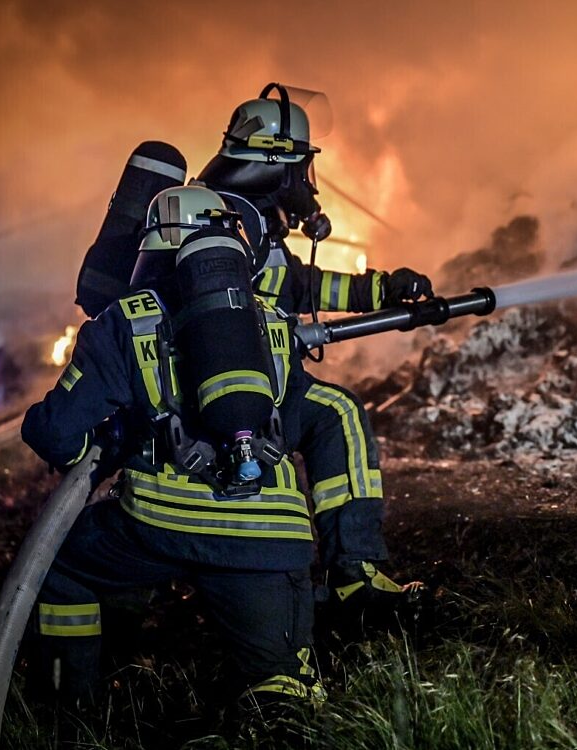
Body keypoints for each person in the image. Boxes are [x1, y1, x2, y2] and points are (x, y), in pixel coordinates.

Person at [22, 186, 324, 710]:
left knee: (60, 568)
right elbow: (291, 427)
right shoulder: (273, 319)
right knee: (282, 688)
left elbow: (55, 433)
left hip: (159, 526)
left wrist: (107, 444)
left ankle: (69, 714)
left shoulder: (127, 318)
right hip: (269, 536)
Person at [197, 82, 432, 607]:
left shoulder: (242, 216)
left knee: (336, 412)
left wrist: (380, 290)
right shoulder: (235, 221)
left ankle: (352, 571)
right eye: (301, 168)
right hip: (248, 389)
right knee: (337, 414)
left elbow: (296, 286)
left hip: (257, 382)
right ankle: (354, 572)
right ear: (275, 165)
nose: (306, 183)